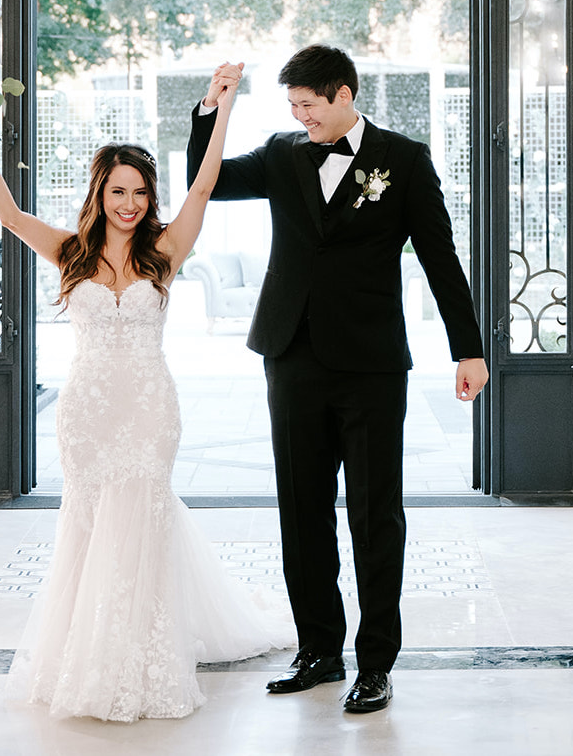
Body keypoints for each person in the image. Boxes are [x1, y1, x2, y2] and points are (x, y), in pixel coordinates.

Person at [0, 68, 288, 723]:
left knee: (141, 514)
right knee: (87, 524)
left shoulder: (164, 251)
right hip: (87, 408)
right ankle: (83, 655)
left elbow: (203, 184)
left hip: (148, 405)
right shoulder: (69, 252)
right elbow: (9, 213)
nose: (130, 202)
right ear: (100, 191)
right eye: (119, 190)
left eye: (140, 191)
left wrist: (221, 109)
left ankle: (140, 655)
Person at [187, 45, 488, 715]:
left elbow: (440, 257)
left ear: (344, 94)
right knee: (302, 506)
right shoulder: (280, 153)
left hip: (372, 363)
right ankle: (318, 649)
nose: (300, 116)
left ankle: (375, 662)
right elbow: (206, 180)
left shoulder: (403, 159)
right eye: (292, 106)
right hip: (290, 354)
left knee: (375, 515)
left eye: (309, 105)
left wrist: (468, 350)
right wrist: (213, 110)